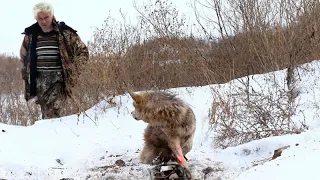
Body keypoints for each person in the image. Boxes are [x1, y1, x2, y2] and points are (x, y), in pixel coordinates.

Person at [20, 2, 89, 119]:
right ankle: (52, 135)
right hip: (39, 81)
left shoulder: (65, 33)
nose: (43, 21)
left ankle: (59, 134)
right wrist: (28, 76)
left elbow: (83, 53)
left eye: (46, 17)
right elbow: (24, 57)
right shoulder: (30, 35)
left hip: (59, 80)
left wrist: (74, 71)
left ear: (52, 15)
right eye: (39, 18)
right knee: (47, 115)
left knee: (56, 115)